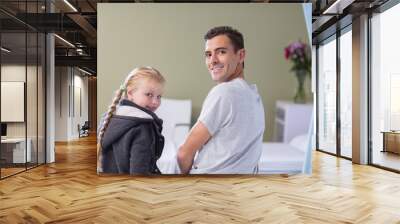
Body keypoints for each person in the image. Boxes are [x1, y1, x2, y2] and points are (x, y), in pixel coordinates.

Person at [177, 26, 265, 174]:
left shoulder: (224, 92)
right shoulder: (254, 95)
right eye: (208, 54)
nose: (213, 60)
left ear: (241, 55)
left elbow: (183, 153)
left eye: (221, 52)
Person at [97, 66, 165, 175]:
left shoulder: (108, 117)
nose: (155, 102)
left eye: (159, 96)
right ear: (130, 93)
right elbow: (140, 174)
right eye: (149, 94)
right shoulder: (144, 127)